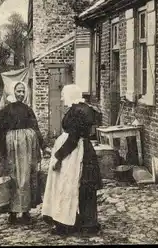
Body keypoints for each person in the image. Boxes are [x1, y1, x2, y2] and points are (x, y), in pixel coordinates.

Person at [42, 85, 103, 237]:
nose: (62, 98)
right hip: (83, 151)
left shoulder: (77, 111)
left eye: (63, 95)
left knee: (69, 186)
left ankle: (68, 223)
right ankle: (84, 222)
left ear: (70, 94)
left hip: (76, 155)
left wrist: (58, 156)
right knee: (83, 188)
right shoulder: (82, 108)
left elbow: (73, 139)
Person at [0, 81, 50, 224]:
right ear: (11, 91)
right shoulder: (5, 111)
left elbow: (36, 128)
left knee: (26, 177)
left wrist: (43, 147)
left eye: (22, 91)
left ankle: (25, 211)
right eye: (18, 91)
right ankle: (12, 212)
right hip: (11, 147)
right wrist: (0, 152)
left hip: (27, 147)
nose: (20, 94)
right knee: (12, 177)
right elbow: (0, 133)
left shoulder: (28, 109)